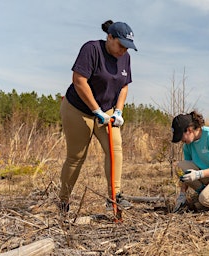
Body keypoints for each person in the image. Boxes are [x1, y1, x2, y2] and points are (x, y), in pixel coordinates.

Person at [58, 20, 137, 213]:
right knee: (76, 157)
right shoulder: (91, 49)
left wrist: (118, 111)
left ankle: (114, 198)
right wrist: (96, 110)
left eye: (127, 48)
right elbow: (79, 80)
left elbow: (124, 85)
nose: (123, 51)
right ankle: (63, 201)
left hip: (107, 109)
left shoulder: (124, 58)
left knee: (115, 149)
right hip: (78, 109)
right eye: (121, 45)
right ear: (110, 37)